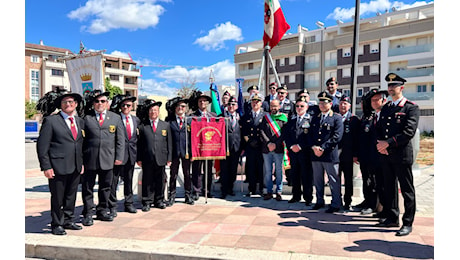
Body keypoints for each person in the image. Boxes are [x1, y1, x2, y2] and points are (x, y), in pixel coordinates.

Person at [376, 73, 420, 236]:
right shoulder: (386, 107)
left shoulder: (411, 107)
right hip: (386, 154)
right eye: (389, 85)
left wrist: (388, 143)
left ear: (401, 87)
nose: (391, 88)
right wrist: (380, 144)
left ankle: (407, 223)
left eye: (394, 85)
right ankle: (392, 216)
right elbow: (379, 128)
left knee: (407, 189)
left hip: (401, 155)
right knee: (389, 187)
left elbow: (409, 132)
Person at [36, 91, 84, 235]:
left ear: (75, 104)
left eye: (71, 102)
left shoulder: (79, 121)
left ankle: (68, 220)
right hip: (57, 167)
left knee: (71, 196)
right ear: (61, 105)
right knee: (58, 198)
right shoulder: (51, 121)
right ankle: (57, 223)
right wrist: (46, 166)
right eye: (65, 102)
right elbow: (42, 146)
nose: (68, 105)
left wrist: (81, 163)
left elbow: (80, 144)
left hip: (75, 166)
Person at [81, 90, 125, 226]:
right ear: (93, 103)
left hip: (108, 159)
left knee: (106, 187)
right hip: (90, 159)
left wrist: (119, 157)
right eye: (97, 101)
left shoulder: (115, 118)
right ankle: (88, 213)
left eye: (103, 101)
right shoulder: (86, 118)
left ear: (107, 103)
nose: (100, 103)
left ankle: (102, 211)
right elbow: (80, 141)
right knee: (87, 188)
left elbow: (120, 140)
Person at [309, 91, 344, 213]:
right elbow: (309, 135)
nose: (322, 105)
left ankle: (336, 203)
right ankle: (319, 201)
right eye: (320, 102)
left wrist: (323, 148)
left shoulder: (336, 118)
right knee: (318, 180)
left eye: (325, 102)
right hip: (316, 154)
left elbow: (337, 136)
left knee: (333, 180)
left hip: (329, 154)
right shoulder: (315, 118)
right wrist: (314, 147)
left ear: (330, 103)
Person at [137, 99, 172, 211]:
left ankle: (159, 200)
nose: (153, 112)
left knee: (160, 180)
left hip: (161, 158)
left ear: (158, 111)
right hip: (147, 158)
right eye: (151, 110)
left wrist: (169, 158)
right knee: (147, 180)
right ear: (148, 112)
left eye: (155, 110)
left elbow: (169, 143)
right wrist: (139, 159)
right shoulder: (143, 126)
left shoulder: (165, 125)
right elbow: (140, 144)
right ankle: (147, 201)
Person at [357, 88, 388, 215]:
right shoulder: (367, 116)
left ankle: (373, 204)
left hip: (376, 155)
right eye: (370, 100)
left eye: (376, 100)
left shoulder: (383, 115)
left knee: (375, 181)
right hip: (365, 155)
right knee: (366, 179)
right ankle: (367, 200)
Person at [108, 94, 140, 215]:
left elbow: (137, 139)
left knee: (129, 180)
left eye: (128, 105)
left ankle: (129, 203)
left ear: (132, 106)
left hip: (131, 155)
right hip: (117, 156)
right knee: (113, 181)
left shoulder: (136, 120)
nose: (126, 107)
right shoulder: (115, 119)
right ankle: (112, 206)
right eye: (124, 105)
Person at [282, 96, 313, 205]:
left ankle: (308, 198)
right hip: (293, 152)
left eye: (302, 106)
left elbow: (311, 137)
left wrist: (300, 146)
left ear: (307, 107)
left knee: (306, 175)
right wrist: (291, 146)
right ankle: (296, 196)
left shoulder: (310, 120)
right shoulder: (292, 120)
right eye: (297, 106)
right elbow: (286, 135)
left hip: (305, 152)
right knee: (294, 175)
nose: (299, 108)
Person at [167, 97, 194, 205]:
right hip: (174, 152)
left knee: (187, 174)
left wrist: (193, 153)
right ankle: (172, 196)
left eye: (182, 106)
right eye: (178, 106)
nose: (180, 108)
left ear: (186, 109)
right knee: (173, 175)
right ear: (175, 108)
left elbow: (193, 138)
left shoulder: (190, 121)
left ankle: (188, 196)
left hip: (186, 152)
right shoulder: (169, 121)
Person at [191, 93, 217, 199]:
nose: (202, 103)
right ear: (197, 103)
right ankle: (196, 190)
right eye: (200, 101)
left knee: (208, 170)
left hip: (209, 148)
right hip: (197, 148)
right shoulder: (193, 116)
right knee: (196, 169)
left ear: (207, 103)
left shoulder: (213, 116)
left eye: (204, 101)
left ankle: (207, 190)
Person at [260, 99, 287, 201]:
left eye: (275, 106)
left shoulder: (283, 118)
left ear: (279, 106)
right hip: (266, 149)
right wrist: (268, 143)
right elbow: (262, 131)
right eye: (272, 106)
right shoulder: (265, 118)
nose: (273, 108)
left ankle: (279, 191)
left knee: (279, 171)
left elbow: (284, 133)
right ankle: (269, 191)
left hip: (278, 148)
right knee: (268, 171)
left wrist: (275, 144)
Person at [337, 95, 360, 211]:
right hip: (335, 155)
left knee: (348, 179)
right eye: (341, 103)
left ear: (349, 106)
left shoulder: (354, 120)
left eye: (345, 103)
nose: (342, 105)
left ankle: (347, 202)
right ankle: (337, 200)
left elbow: (357, 139)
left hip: (348, 155)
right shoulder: (334, 117)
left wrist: (356, 154)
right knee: (335, 179)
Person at [240, 93, 266, 196]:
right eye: (253, 101)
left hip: (261, 145)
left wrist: (260, 141)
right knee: (250, 168)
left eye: (257, 101)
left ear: (261, 103)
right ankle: (252, 188)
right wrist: (249, 141)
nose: (255, 103)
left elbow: (266, 130)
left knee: (261, 168)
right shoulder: (246, 115)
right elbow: (244, 131)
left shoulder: (265, 115)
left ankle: (261, 189)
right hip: (250, 145)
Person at [219, 96, 242, 199]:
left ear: (237, 106)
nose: (231, 106)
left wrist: (242, 148)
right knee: (224, 170)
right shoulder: (222, 117)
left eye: (233, 104)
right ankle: (223, 190)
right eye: (229, 104)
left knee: (233, 170)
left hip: (236, 148)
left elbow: (243, 133)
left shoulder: (241, 117)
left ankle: (230, 188)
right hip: (225, 148)